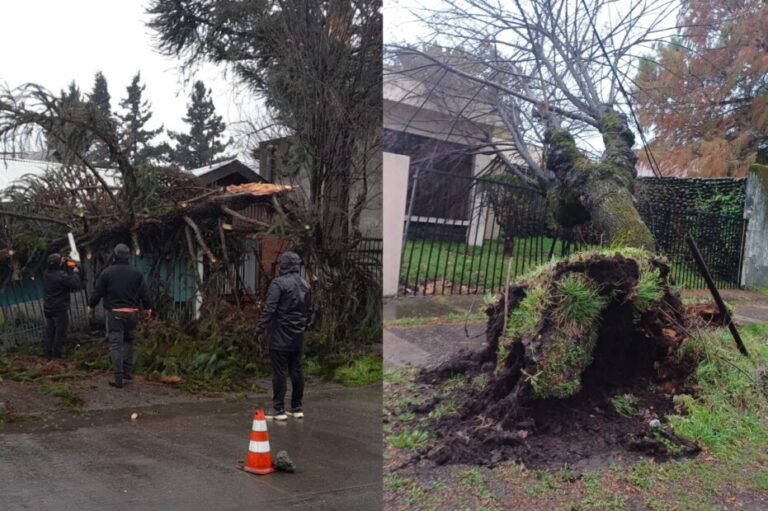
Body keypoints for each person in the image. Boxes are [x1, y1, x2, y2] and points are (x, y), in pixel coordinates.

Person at [255, 251, 312, 421]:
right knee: (296, 370)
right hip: (297, 336)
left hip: (279, 335)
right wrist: (302, 327)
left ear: (284, 265)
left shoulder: (278, 283)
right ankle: (297, 407)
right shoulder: (305, 284)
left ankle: (279, 410)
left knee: (279, 372)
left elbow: (270, 309)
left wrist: (259, 329)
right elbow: (309, 312)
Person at [87, 243, 152, 388]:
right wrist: (148, 308)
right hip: (132, 314)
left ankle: (118, 378)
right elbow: (144, 293)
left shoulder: (107, 273)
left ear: (114, 256)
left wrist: (91, 305)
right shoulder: (137, 273)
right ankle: (128, 371)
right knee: (128, 341)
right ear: (128, 257)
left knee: (116, 344)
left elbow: (98, 292)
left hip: (115, 314)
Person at [42, 253, 82, 359]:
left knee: (50, 331)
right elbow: (75, 284)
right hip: (59, 309)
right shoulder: (61, 276)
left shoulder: (46, 273)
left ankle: (47, 354)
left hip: (48, 308)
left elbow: (58, 269)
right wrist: (75, 272)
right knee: (60, 332)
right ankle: (57, 355)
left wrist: (63, 262)